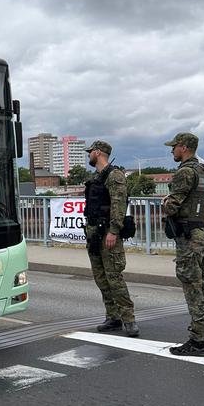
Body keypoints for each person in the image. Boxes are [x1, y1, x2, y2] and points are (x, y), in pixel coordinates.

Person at [163, 132, 204, 356]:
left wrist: (165, 202)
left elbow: (173, 206)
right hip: (203, 232)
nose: (172, 150)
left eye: (174, 146)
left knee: (192, 286)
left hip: (189, 237)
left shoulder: (185, 172)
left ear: (184, 147)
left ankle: (197, 341)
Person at [83, 140, 139, 337]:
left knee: (114, 277)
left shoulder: (114, 175)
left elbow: (118, 205)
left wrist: (113, 231)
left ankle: (129, 319)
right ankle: (113, 316)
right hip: (94, 233)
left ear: (98, 152)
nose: (88, 155)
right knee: (101, 278)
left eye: (90, 152)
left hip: (107, 232)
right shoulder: (97, 176)